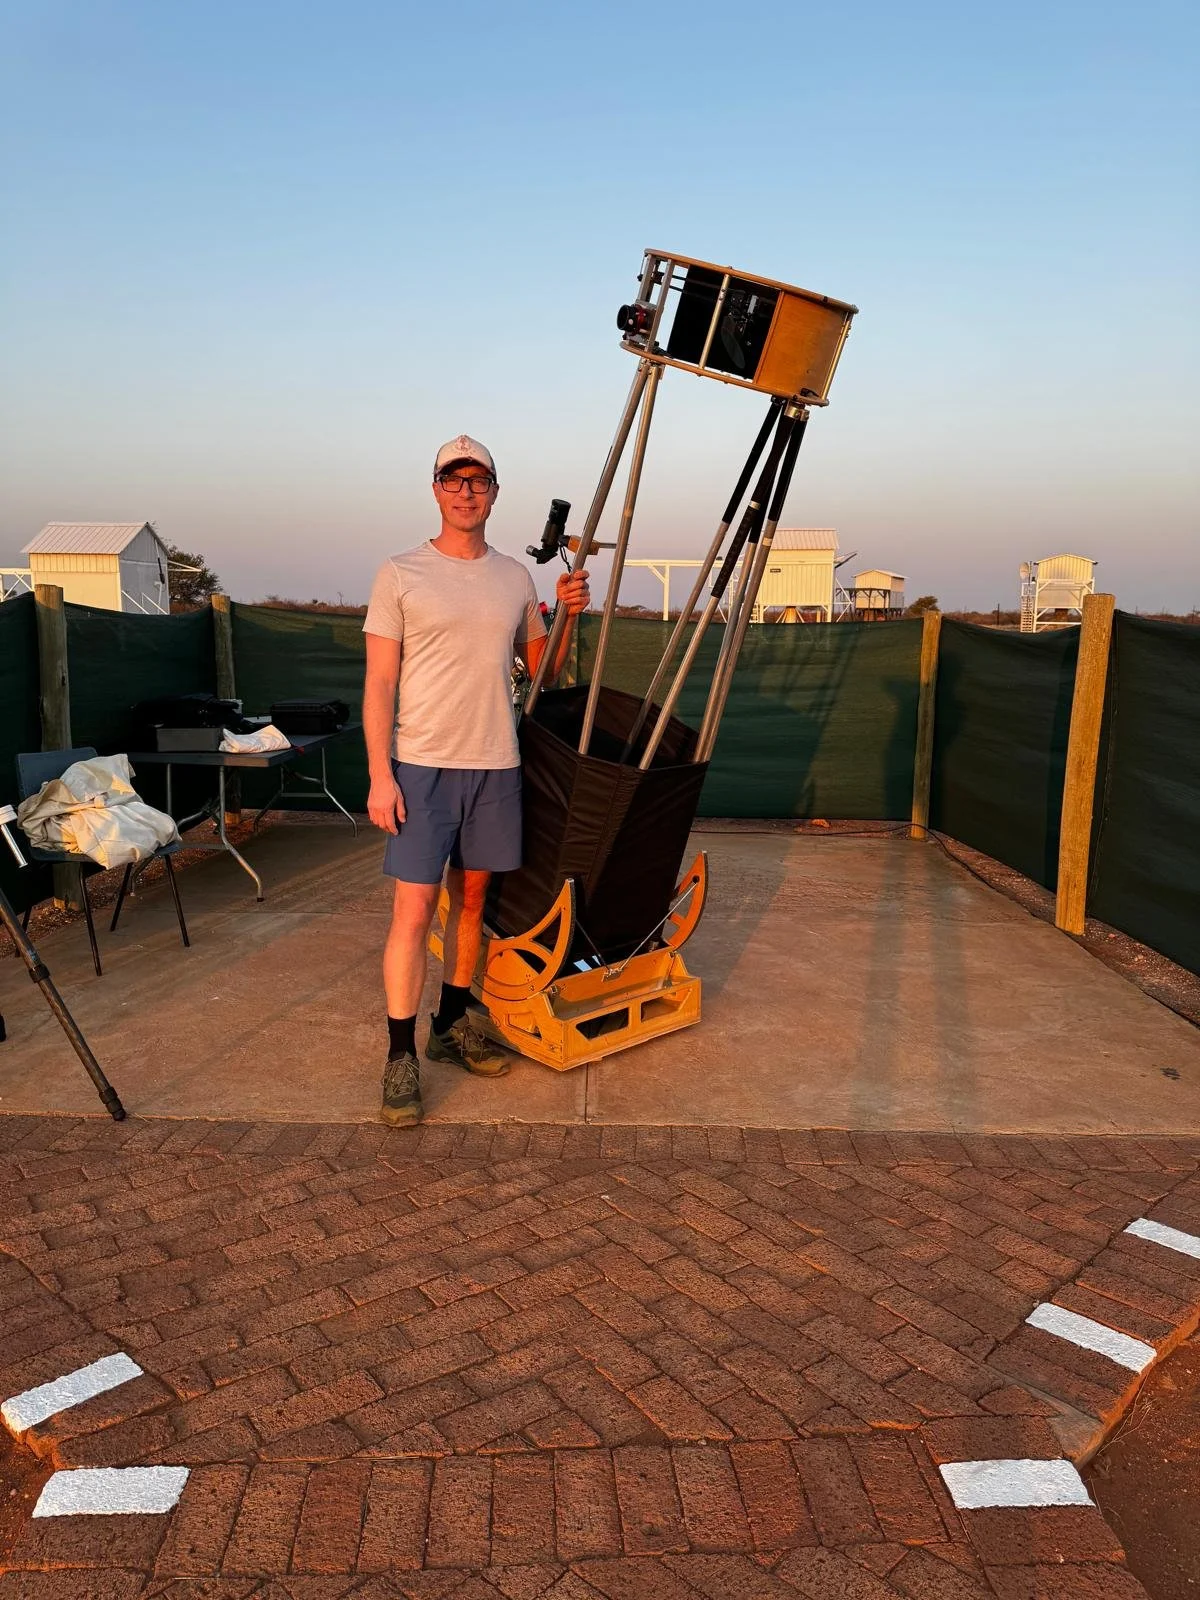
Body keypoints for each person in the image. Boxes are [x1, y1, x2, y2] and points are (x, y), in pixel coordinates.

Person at [361, 435, 589, 1127]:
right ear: (435, 490)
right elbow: (378, 684)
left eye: (478, 480)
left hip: (497, 763)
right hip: (422, 768)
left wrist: (567, 616)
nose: (466, 491)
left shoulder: (516, 578)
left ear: (494, 491)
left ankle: (451, 1024)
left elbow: (544, 675)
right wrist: (380, 776)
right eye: (452, 479)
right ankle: (401, 1055)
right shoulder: (399, 574)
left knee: (475, 900)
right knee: (413, 910)